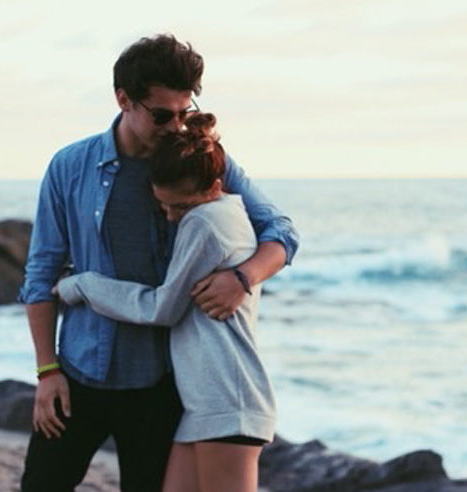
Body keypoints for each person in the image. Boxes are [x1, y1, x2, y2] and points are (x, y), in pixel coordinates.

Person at [18, 33, 298, 492]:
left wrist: (242, 278)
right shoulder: (70, 167)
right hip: (80, 371)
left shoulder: (202, 162)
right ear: (123, 99)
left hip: (161, 386)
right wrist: (47, 371)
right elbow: (40, 273)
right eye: (162, 115)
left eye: (184, 112)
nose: (175, 126)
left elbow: (281, 232)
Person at [56, 112, 276, 492]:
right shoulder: (220, 212)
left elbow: (161, 308)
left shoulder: (205, 222)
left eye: (182, 206)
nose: (173, 218)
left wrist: (83, 285)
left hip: (228, 398)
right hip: (201, 401)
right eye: (165, 206)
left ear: (215, 187)